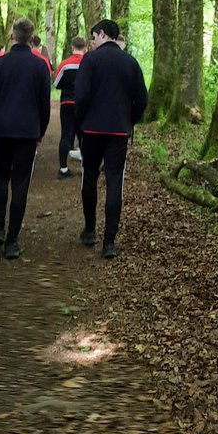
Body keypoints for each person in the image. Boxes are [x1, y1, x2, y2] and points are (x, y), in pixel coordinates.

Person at [74, 18, 148, 260]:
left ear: (103, 34)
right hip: (118, 131)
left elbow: (81, 95)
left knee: (90, 176)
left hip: (92, 130)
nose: (92, 41)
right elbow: (142, 99)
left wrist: (82, 121)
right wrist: (129, 121)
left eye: (93, 36)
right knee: (115, 182)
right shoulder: (130, 62)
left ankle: (90, 229)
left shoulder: (90, 60)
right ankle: (109, 242)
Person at [0, 17, 51, 259]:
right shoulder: (40, 66)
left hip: (1, 131)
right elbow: (45, 105)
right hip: (27, 133)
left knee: (1, 178)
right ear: (32, 39)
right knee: (20, 183)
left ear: (12, 36)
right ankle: (12, 240)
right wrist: (40, 131)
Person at [52, 37, 86, 178]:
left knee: (66, 135)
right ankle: (85, 168)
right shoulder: (88, 63)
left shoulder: (65, 64)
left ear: (72, 47)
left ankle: (63, 169)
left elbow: (56, 83)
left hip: (67, 103)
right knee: (83, 136)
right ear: (84, 48)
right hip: (84, 104)